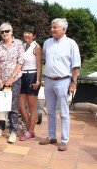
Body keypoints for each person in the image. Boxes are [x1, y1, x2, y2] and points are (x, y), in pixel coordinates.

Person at [39, 18, 81, 151]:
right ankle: (51, 136)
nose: (52, 29)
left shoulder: (71, 44)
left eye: (55, 27)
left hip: (63, 81)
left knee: (64, 112)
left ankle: (64, 140)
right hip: (49, 81)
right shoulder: (47, 43)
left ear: (64, 29)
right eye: (51, 27)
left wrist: (73, 83)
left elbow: (76, 65)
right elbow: (46, 59)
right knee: (50, 111)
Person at [0, 22, 24, 143]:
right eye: (2, 32)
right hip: (1, 81)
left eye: (7, 31)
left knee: (13, 106)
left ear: (11, 32)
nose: (4, 34)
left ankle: (13, 131)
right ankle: (0, 128)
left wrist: (12, 77)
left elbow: (20, 62)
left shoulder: (19, 44)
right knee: (0, 105)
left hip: (14, 80)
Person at [18, 25, 42, 141]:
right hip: (22, 76)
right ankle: (29, 130)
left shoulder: (36, 47)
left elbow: (39, 66)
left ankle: (30, 130)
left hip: (32, 76)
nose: (27, 35)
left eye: (30, 33)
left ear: (34, 36)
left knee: (32, 107)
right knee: (21, 106)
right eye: (25, 32)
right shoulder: (22, 46)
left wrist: (38, 80)